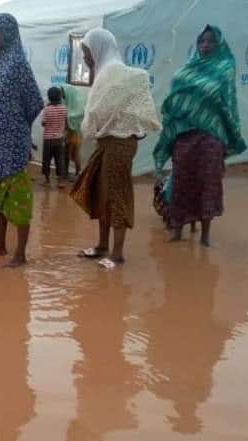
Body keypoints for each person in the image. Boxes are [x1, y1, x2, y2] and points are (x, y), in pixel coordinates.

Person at [69, 28, 161, 269]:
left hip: (120, 143)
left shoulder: (122, 75)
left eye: (87, 53)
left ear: (99, 49)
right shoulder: (103, 74)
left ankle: (117, 253)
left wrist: (127, 128)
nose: (86, 59)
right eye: (85, 53)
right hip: (105, 141)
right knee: (99, 191)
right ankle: (102, 246)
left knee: (116, 193)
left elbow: (126, 112)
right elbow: (100, 112)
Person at [153, 25, 247, 247]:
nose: (206, 45)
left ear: (219, 45)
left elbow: (229, 105)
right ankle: (177, 229)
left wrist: (228, 135)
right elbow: (175, 99)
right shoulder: (186, 71)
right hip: (184, 136)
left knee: (208, 184)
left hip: (211, 136)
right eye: (202, 41)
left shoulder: (225, 70)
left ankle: (205, 235)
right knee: (181, 182)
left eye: (211, 41)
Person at [0, 14, 44, 268]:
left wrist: (15, 127)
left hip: (12, 147)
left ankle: (21, 254)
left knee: (18, 199)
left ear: (8, 34)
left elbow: (35, 102)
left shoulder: (17, 64)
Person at [41, 86, 68, 187]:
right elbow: (65, 122)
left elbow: (43, 123)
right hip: (59, 139)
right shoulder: (64, 108)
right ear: (60, 96)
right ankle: (61, 181)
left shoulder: (47, 109)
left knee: (46, 160)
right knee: (59, 160)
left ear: (49, 97)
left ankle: (47, 181)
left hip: (48, 139)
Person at [61, 84, 85, 180]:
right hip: (68, 134)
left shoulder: (79, 109)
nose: (62, 96)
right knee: (65, 153)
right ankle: (65, 173)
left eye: (63, 94)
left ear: (69, 94)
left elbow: (72, 120)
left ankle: (77, 174)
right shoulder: (66, 104)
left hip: (75, 134)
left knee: (75, 155)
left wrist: (67, 118)